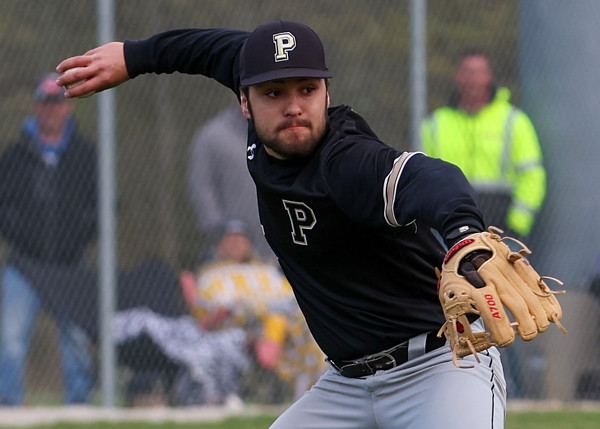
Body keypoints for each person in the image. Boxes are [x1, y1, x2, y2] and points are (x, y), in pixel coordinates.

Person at [57, 20, 507, 428]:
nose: (293, 105)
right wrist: (135, 57)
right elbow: (206, 49)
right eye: (274, 92)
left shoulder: (345, 160)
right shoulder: (255, 91)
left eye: (307, 89)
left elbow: (426, 178)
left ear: (326, 93)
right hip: (347, 384)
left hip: (442, 368)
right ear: (244, 100)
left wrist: (464, 233)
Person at [0, 73, 97, 405]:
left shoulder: (85, 155)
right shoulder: (15, 156)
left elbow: (98, 208)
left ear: (67, 107)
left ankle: (79, 409)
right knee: (11, 339)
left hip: (70, 266)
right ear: (35, 106)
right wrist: (19, 233)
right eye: (45, 102)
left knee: (75, 339)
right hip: (24, 264)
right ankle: (8, 409)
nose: (51, 109)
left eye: (57, 102)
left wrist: (77, 238)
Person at [180, 219, 326, 404]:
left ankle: (312, 383)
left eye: (240, 239)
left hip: (284, 323)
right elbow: (209, 310)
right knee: (276, 319)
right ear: (219, 245)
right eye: (230, 240)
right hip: (237, 328)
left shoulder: (265, 270)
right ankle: (283, 372)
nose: (236, 244)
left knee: (298, 321)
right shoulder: (211, 273)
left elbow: (289, 296)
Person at [421, 48, 546, 239]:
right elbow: (423, 175)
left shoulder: (513, 121)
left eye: (478, 72)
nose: (472, 79)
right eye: (467, 71)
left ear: (489, 76)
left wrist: (517, 225)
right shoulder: (436, 123)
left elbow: (532, 175)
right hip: (448, 223)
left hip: (499, 225)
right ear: (457, 76)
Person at [188, 104, 274, 261]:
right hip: (234, 258)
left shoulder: (286, 133)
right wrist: (221, 233)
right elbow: (202, 189)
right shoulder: (212, 137)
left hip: (283, 250)